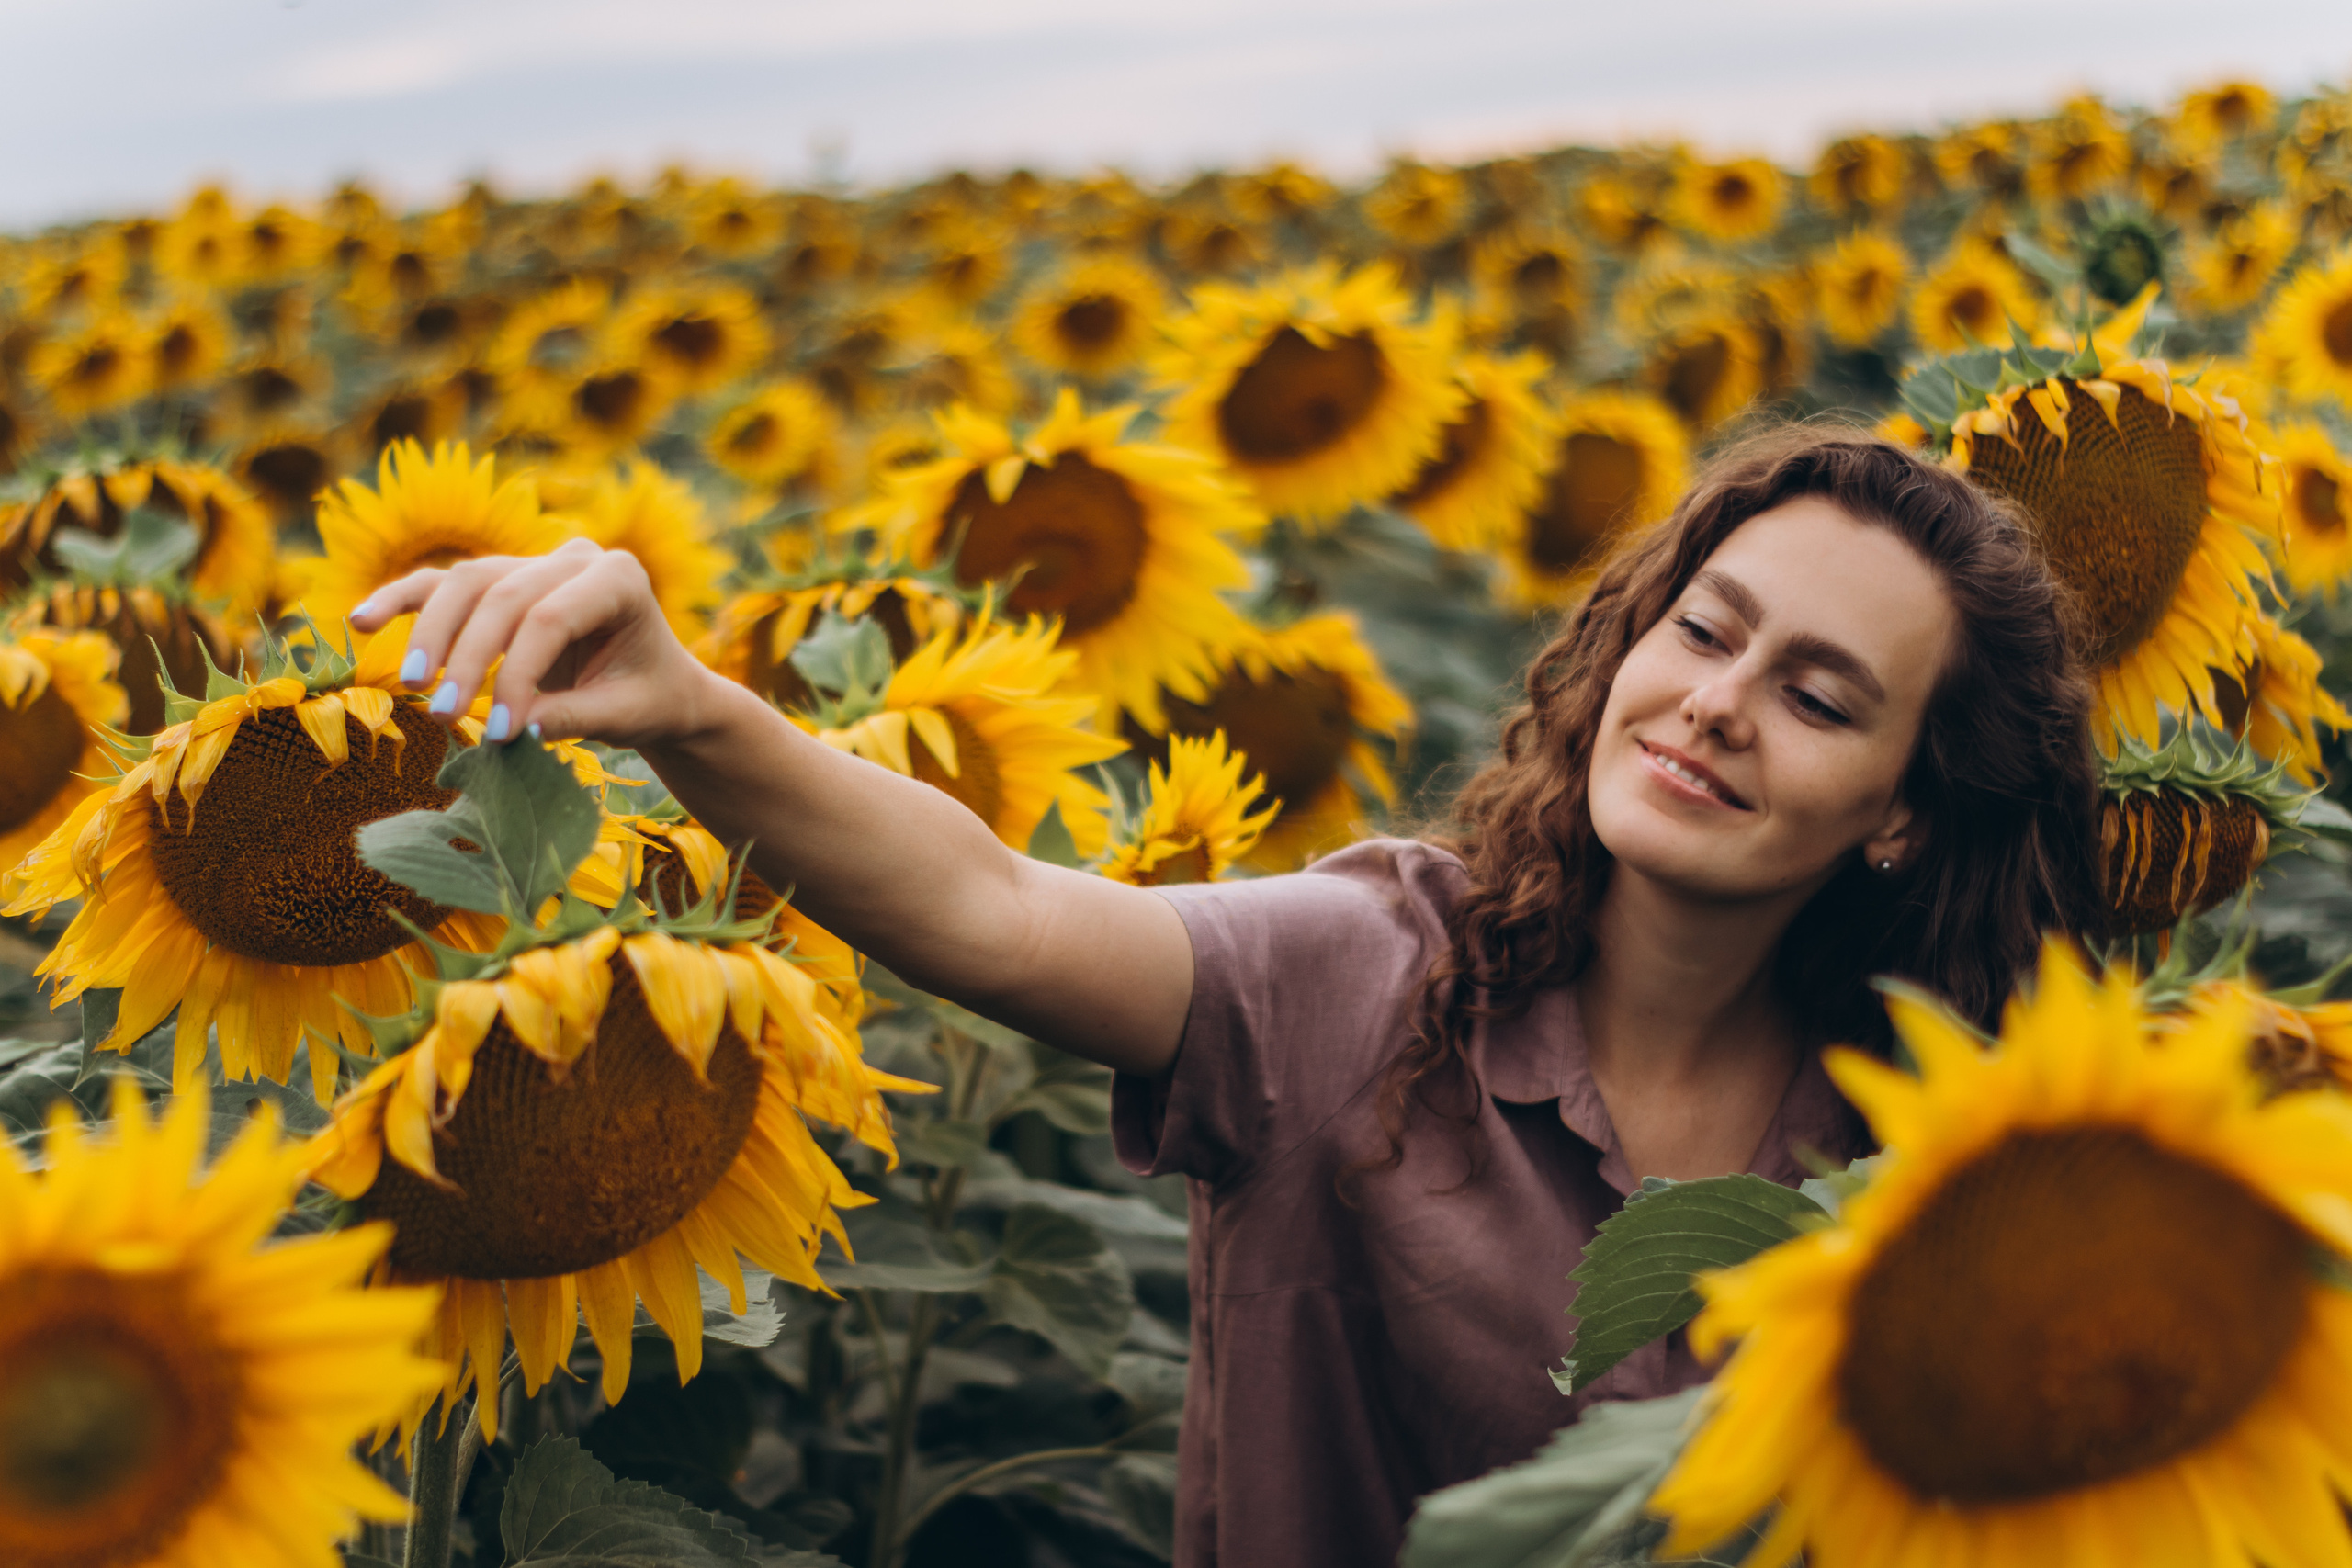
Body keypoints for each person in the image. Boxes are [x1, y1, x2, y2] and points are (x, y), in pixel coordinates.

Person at [352, 424, 2105, 1568]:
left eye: (1818, 698)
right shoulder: (1376, 980)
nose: (1720, 702)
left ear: (1902, 814)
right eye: (1705, 632)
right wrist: (693, 709)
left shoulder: (1917, 1162)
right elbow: (995, 910)